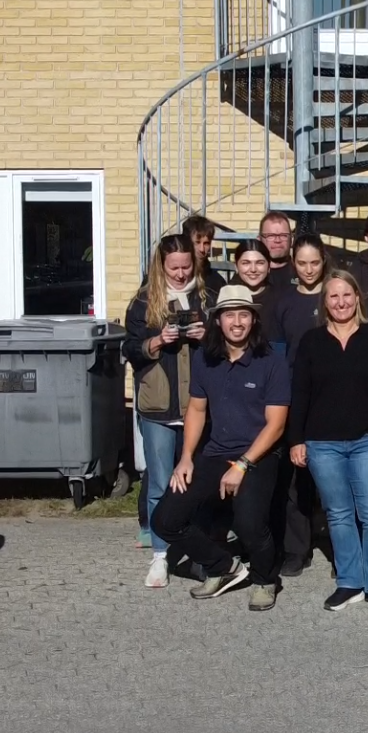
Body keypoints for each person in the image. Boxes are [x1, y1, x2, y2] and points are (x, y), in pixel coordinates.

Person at [152, 285, 291, 611]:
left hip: (259, 454)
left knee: (249, 524)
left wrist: (242, 465)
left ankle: (265, 579)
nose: (237, 322)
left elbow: (276, 425)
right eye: (230, 315)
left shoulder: (272, 362)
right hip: (216, 451)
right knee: (165, 520)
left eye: (244, 315)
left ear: (254, 320)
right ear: (218, 320)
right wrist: (186, 458)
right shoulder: (205, 359)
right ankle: (223, 566)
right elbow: (196, 410)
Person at [287, 270, 368, 619]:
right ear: (325, 302)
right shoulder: (311, 341)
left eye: (347, 295)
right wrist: (296, 439)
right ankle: (350, 582)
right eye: (334, 296)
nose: (341, 302)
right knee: (338, 515)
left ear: (357, 298)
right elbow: (300, 393)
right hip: (322, 443)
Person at [124, 234, 209, 587]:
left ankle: (200, 552)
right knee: (159, 482)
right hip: (158, 405)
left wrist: (209, 336)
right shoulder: (143, 301)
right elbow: (129, 348)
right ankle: (160, 556)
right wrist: (157, 341)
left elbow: (233, 340)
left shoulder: (207, 296)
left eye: (186, 266)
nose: (180, 273)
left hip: (199, 405)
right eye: (173, 267)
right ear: (161, 266)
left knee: (197, 484)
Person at [269, 233, 330, 577]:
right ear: (293, 262)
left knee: (334, 477)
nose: (309, 269)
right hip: (295, 398)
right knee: (296, 477)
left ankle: (339, 547)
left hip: (331, 396)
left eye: (315, 263)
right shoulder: (284, 303)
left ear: (324, 261)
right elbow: (278, 356)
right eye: (302, 263)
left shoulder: (335, 296)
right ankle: (297, 548)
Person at [181, 214, 231, 294]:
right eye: (197, 242)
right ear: (186, 241)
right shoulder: (177, 276)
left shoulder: (216, 282)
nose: (202, 249)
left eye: (206, 243)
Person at [259, 211, 297, 290]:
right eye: (270, 236)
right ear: (259, 240)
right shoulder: (250, 275)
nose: (277, 240)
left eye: (283, 235)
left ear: (292, 239)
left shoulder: (303, 273)